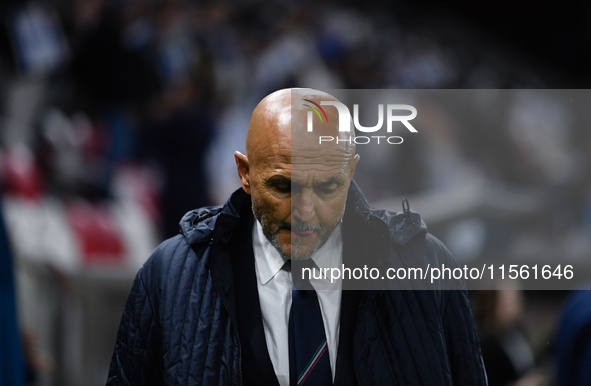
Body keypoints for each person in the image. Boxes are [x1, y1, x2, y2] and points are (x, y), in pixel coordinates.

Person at [106, 88, 487, 385]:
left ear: (351, 173)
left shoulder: (426, 267)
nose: (305, 212)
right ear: (244, 173)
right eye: (283, 186)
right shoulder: (169, 277)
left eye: (327, 187)